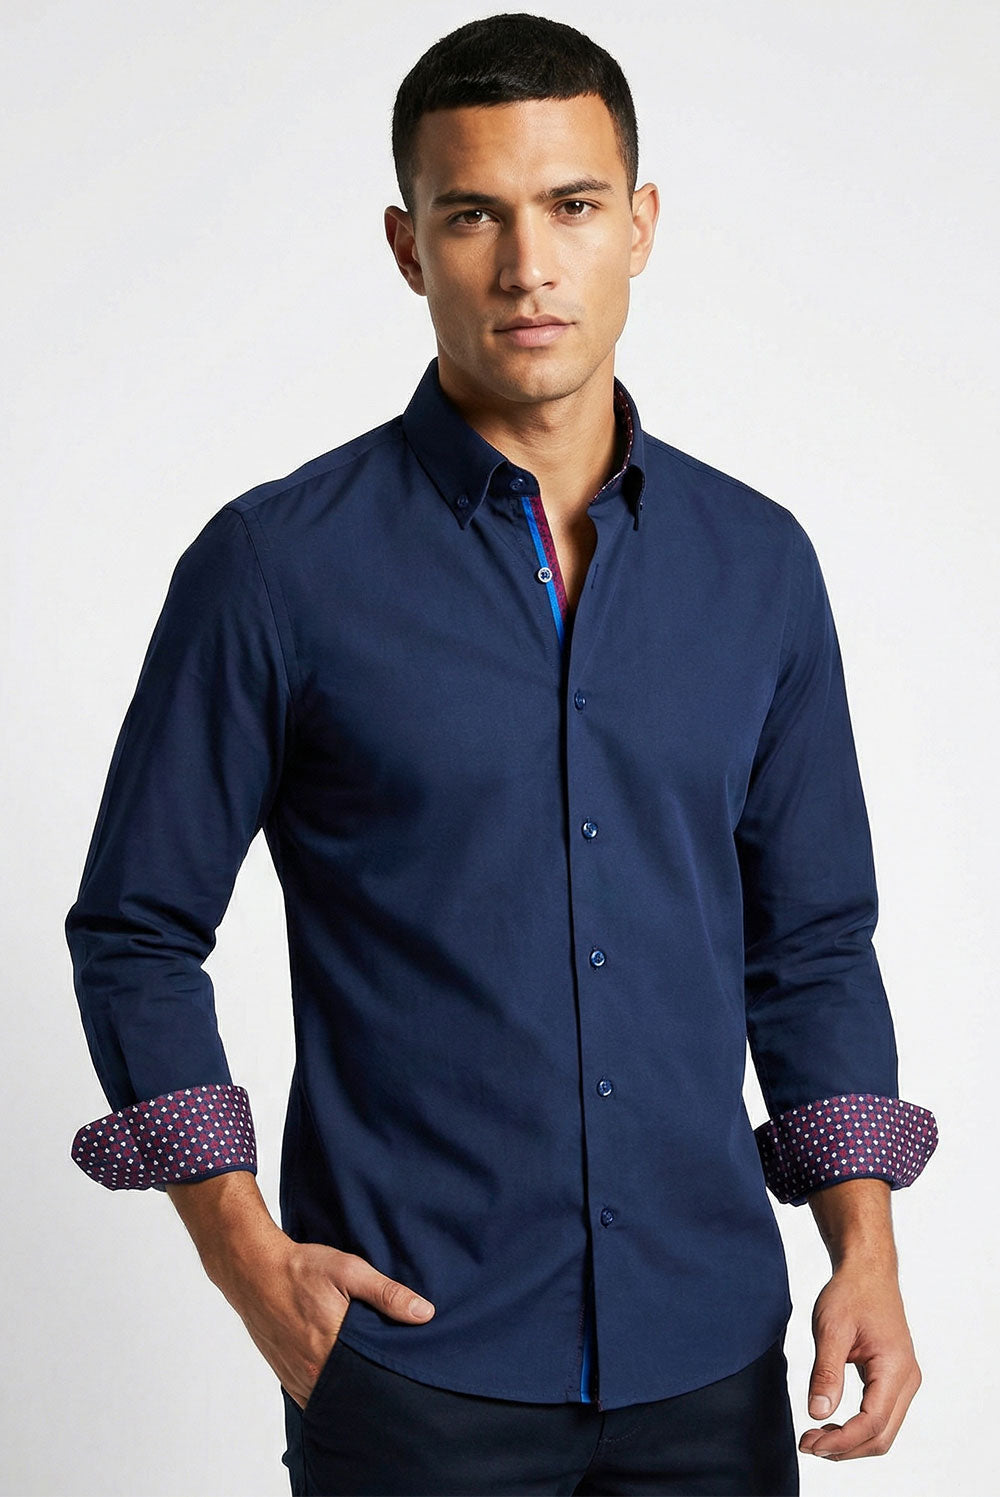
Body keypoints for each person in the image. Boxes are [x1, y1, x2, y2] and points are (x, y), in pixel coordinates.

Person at [66, 13, 938, 1496]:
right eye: (474, 214)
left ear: (639, 225)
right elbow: (137, 929)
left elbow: (811, 944)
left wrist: (866, 1245)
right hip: (413, 1367)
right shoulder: (275, 568)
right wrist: (246, 1260)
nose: (529, 265)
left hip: (712, 1364)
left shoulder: (760, 567)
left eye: (572, 205)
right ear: (408, 246)